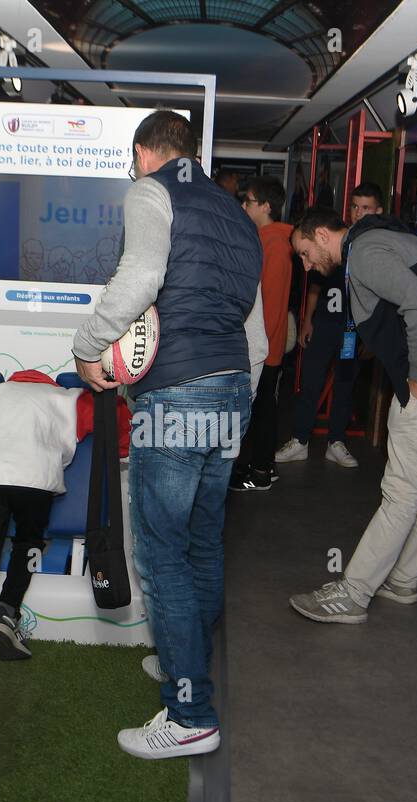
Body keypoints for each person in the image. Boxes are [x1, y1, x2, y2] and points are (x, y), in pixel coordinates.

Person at [72, 110, 266, 759]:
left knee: (160, 553)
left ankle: (190, 713)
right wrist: (235, 400)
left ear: (144, 154)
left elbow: (142, 276)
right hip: (231, 392)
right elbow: (258, 336)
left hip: (178, 396)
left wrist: (88, 346)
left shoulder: (152, 191)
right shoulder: (239, 216)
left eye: (134, 163)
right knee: (202, 539)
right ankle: (190, 661)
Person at [287, 207, 417, 623]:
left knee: (401, 489)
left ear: (321, 234)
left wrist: (415, 378)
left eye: (305, 253)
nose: (307, 265)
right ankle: (404, 578)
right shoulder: (374, 239)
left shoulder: (364, 253)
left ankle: (354, 593)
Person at [0, 371, 131, 731]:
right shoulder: (69, 398)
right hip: (35, 482)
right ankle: (6, 613)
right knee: (28, 543)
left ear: (14, 381)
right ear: (48, 383)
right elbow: (117, 420)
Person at [275, 182, 387, 469]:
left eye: (365, 208)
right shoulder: (333, 245)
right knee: (310, 381)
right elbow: (314, 285)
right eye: (354, 206)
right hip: (325, 323)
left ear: (378, 211)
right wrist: (307, 321)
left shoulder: (373, 249)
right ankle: (300, 440)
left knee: (345, 384)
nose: (358, 213)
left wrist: (372, 337)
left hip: (351, 329)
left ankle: (336, 442)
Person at [230, 175, 294, 492]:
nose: (244, 206)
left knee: (260, 409)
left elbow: (269, 303)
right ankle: (259, 467)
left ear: (266, 206)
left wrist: (260, 349)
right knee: (261, 407)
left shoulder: (276, 245)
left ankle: (259, 471)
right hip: (264, 346)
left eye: (249, 201)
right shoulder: (265, 240)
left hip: (265, 348)